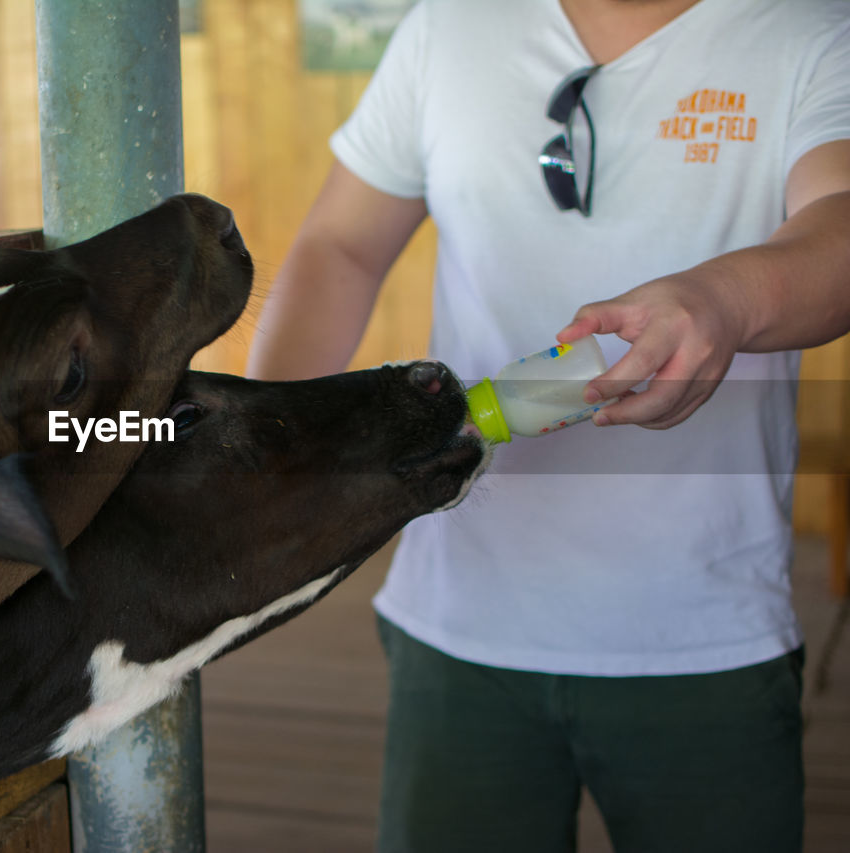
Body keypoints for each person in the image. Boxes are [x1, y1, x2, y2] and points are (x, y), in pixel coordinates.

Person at [246, 1, 850, 851]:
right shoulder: (448, 27)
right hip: (457, 627)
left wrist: (727, 299)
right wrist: (268, 443)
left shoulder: (810, 33)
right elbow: (342, 244)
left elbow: (841, 226)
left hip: (703, 637)